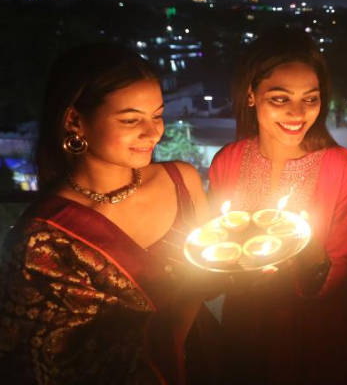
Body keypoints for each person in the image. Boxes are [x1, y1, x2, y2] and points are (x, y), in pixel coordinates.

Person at [0, 44, 216, 384]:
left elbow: (213, 278)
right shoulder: (43, 238)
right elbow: (61, 365)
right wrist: (191, 295)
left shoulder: (182, 181)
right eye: (131, 119)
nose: (152, 132)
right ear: (75, 120)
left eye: (157, 115)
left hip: (206, 356)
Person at [208, 28, 347, 384]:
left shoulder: (341, 168)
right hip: (245, 324)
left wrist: (308, 256)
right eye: (280, 99)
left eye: (310, 98)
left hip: (312, 331)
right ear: (251, 95)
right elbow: (218, 238)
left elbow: (346, 261)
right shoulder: (227, 161)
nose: (298, 113)